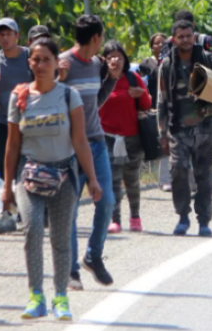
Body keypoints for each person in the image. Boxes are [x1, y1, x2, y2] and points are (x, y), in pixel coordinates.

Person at [1, 38, 102, 320]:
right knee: (32, 229)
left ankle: (60, 297)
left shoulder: (69, 96)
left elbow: (80, 141)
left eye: (47, 59)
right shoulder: (19, 98)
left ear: (57, 62)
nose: (41, 65)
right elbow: (11, 146)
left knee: (60, 238)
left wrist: (92, 179)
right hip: (29, 174)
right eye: (36, 59)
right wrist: (8, 186)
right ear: (29, 63)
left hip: (64, 175)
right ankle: (36, 297)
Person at [158, 20, 212, 237]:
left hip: (204, 127)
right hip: (178, 129)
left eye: (188, 36)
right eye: (180, 37)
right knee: (177, 171)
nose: (185, 40)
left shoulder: (207, 59)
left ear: (193, 36)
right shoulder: (168, 64)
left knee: (204, 176)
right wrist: (161, 133)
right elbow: (161, 101)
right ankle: (183, 216)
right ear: (174, 39)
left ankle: (204, 220)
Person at [59, 14, 117, 288]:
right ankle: (71, 271)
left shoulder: (97, 65)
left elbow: (95, 102)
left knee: (106, 201)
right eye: (102, 37)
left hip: (96, 143)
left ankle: (93, 256)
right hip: (68, 149)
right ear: (96, 38)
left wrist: (113, 79)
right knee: (69, 210)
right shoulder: (62, 65)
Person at [99, 41, 151, 232]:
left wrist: (141, 94)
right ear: (104, 60)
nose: (115, 60)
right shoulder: (100, 80)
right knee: (112, 180)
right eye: (111, 56)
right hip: (107, 138)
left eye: (119, 56)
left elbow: (146, 105)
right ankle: (116, 219)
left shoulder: (132, 78)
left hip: (132, 138)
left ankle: (135, 217)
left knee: (132, 179)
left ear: (125, 59)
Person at [0, 18, 32, 178]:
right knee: (6, 174)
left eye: (9, 34)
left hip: (32, 123)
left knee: (31, 173)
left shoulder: (30, 56)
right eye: (1, 34)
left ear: (17, 35)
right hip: (5, 124)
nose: (5, 38)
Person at [138, 33, 172, 190]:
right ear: (151, 47)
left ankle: (168, 178)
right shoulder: (146, 64)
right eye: (156, 43)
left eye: (163, 43)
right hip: (152, 110)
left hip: (170, 107)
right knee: (159, 145)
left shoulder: (172, 62)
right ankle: (163, 179)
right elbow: (141, 83)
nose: (160, 45)